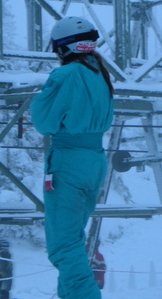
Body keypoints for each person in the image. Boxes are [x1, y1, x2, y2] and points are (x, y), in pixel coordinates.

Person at [30, 16, 114, 299]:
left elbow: (44, 122)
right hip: (95, 161)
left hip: (68, 161)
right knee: (74, 241)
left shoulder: (65, 75)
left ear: (63, 47)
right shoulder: (100, 74)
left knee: (64, 247)